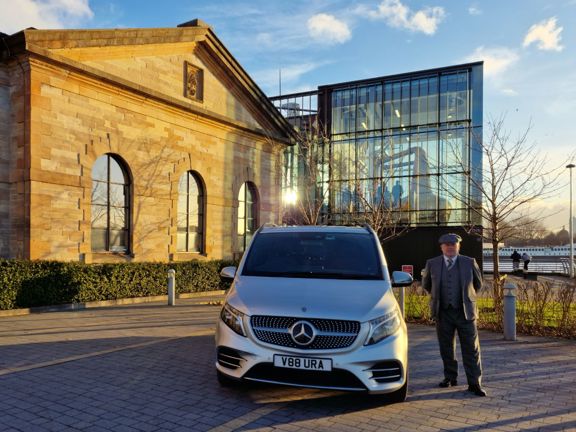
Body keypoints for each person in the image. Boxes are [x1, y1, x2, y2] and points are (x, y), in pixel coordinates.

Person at [421, 233, 487, 397]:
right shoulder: (432, 263)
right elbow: (427, 285)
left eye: (453, 244)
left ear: (459, 246)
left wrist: (466, 298)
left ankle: (474, 383)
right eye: (447, 244)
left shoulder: (469, 262)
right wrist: (439, 299)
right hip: (443, 312)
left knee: (471, 349)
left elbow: (478, 284)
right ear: (441, 247)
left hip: (465, 312)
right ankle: (450, 377)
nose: (450, 247)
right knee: (446, 348)